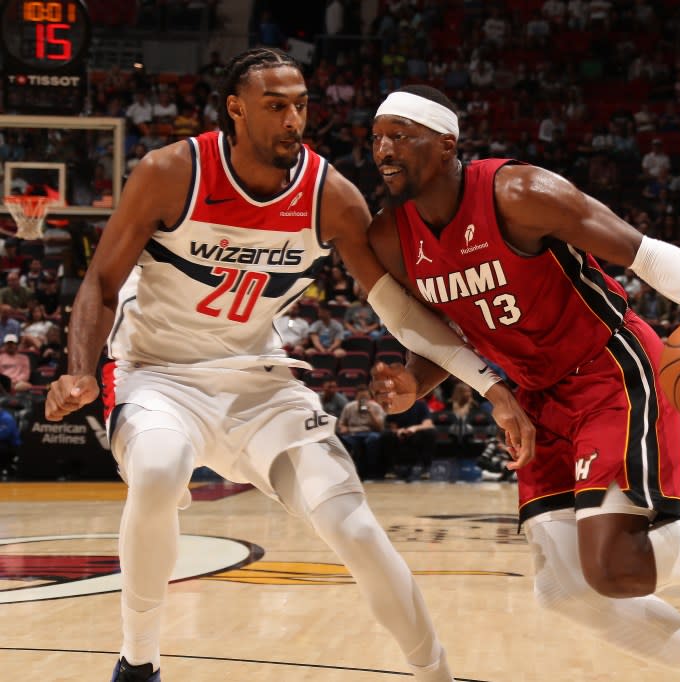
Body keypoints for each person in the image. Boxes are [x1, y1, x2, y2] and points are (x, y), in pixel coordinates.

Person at [44, 48, 536, 682]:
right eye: (276, 106)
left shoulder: (330, 196)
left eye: (301, 105)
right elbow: (101, 283)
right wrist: (79, 368)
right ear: (236, 109)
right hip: (157, 374)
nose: (293, 120)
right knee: (161, 469)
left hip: (258, 382)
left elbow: (400, 311)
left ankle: (435, 673)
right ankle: (139, 662)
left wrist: (490, 386)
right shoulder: (171, 172)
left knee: (353, 525)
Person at [365, 85, 680, 682]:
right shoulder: (391, 237)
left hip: (610, 369)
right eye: (376, 138)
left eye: (401, 135)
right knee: (567, 589)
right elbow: (445, 328)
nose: (384, 150)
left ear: (447, 142)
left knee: (613, 566)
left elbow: (645, 254)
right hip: (535, 398)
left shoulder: (519, 193)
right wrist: (412, 379)